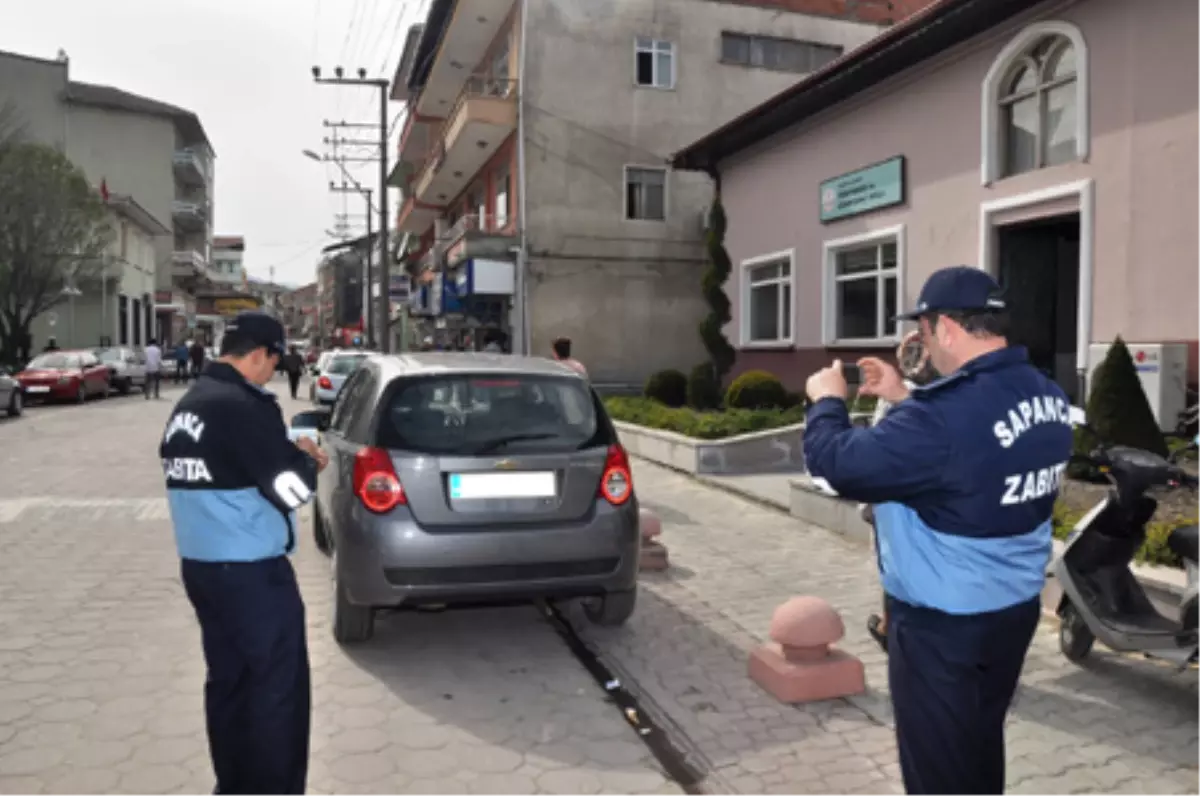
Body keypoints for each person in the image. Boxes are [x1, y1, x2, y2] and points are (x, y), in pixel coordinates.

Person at [801, 265, 1073, 796]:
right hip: (1012, 611)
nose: (922, 342)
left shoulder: (939, 421)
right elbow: (973, 455)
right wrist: (903, 396)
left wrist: (826, 400)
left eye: (923, 331)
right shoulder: (1046, 394)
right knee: (975, 743)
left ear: (944, 328)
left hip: (942, 627)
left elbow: (835, 464)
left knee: (937, 770)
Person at [160, 311, 328, 796]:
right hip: (252, 574)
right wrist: (307, 461)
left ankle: (233, 786)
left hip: (203, 568)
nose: (273, 374)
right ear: (261, 354)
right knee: (278, 692)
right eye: (273, 364)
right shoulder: (243, 406)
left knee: (229, 685)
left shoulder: (190, 404)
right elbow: (291, 490)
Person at [860, 329, 938, 652]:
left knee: (896, 566)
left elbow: (880, 445)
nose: (911, 358)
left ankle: (894, 630)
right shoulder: (948, 392)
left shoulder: (906, 398)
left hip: (900, 500)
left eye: (917, 351)